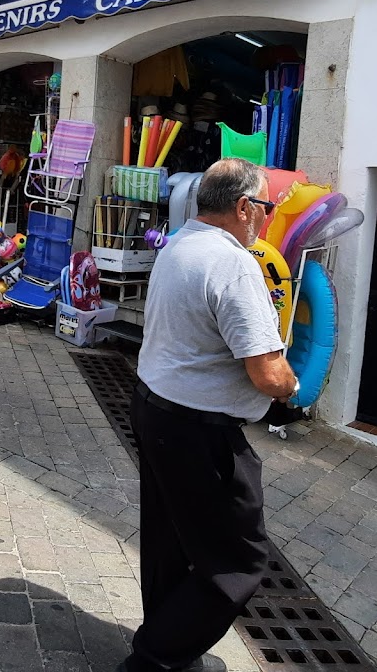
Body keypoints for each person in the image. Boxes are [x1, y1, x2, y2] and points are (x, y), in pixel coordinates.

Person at [125, 158, 299, 672]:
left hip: (155, 409)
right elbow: (269, 375)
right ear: (244, 207)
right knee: (240, 561)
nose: (267, 219)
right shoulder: (233, 262)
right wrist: (292, 385)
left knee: (169, 541)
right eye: (266, 208)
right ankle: (156, 658)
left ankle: (170, 648)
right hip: (201, 433)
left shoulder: (180, 241)